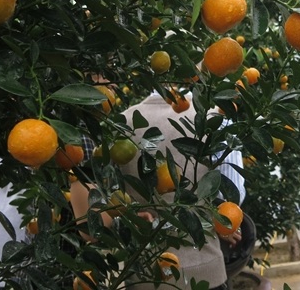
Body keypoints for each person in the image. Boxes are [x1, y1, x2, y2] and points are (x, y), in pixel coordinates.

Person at [70, 90, 244, 290]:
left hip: (145, 275)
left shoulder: (120, 124)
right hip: (205, 270)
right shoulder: (215, 121)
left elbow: (106, 208)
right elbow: (232, 193)